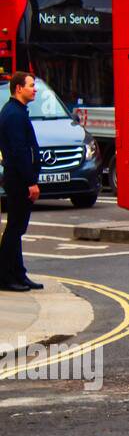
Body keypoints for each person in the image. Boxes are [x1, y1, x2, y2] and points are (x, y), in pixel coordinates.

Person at [0, 73, 43, 292]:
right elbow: (18, 152)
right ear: (19, 89)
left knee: (16, 229)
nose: (34, 89)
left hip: (18, 179)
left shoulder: (15, 112)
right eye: (31, 85)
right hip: (18, 180)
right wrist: (30, 182)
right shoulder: (14, 115)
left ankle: (18, 273)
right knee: (15, 229)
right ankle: (6, 277)